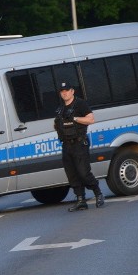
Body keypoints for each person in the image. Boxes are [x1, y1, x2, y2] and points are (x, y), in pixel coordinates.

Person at [54, 81, 104, 211]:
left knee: (83, 172)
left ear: (72, 91)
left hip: (79, 143)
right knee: (72, 174)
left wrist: (75, 119)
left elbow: (91, 119)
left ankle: (98, 193)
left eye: (67, 90)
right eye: (62, 91)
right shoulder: (60, 108)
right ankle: (81, 200)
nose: (64, 93)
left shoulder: (80, 104)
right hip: (66, 144)